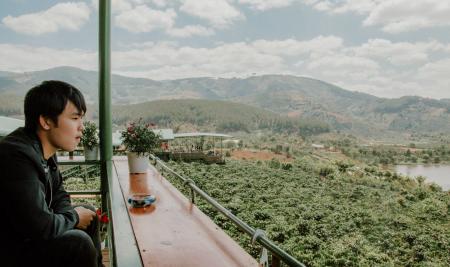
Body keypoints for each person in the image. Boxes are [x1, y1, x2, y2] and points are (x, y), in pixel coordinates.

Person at [0, 81, 102, 267]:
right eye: (74, 118)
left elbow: (59, 195)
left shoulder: (45, 150)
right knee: (78, 243)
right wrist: (75, 218)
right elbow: (41, 227)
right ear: (46, 121)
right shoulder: (16, 156)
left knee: (89, 211)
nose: (82, 127)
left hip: (30, 239)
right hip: (11, 251)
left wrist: (73, 216)